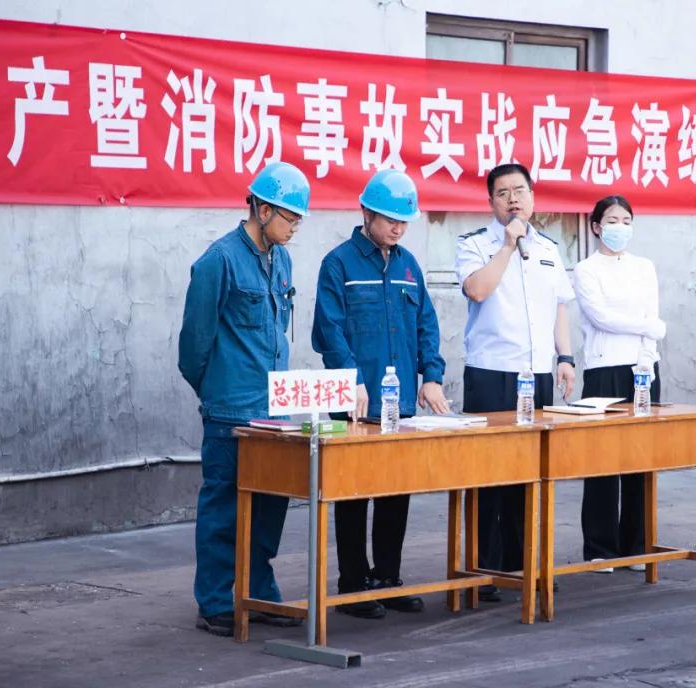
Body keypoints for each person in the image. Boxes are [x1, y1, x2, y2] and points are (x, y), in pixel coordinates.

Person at [178, 161, 309, 636]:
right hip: (230, 412)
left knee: (270, 503)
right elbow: (193, 345)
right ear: (264, 209)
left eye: (299, 220)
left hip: (274, 410)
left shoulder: (281, 261)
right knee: (223, 507)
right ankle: (215, 601)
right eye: (290, 218)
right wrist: (218, 389)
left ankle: (259, 592)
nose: (294, 228)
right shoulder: (219, 260)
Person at [312, 168, 450, 619]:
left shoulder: (409, 266)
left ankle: (387, 579)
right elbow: (329, 329)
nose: (398, 228)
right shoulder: (338, 263)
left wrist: (431, 375)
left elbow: (426, 323)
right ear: (366, 213)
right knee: (352, 494)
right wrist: (350, 377)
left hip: (400, 401)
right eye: (391, 219)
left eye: (404, 221)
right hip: (354, 403)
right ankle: (353, 584)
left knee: (395, 491)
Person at [455, 163, 576, 601]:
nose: (512, 199)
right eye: (503, 193)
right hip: (491, 372)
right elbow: (477, 290)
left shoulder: (548, 248)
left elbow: (559, 306)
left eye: (519, 191)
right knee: (489, 474)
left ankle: (525, 563)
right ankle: (485, 569)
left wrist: (565, 357)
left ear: (532, 196)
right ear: (491, 202)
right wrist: (507, 246)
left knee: (532, 472)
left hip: (536, 373)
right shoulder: (474, 244)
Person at [573, 195, 667, 573]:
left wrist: (647, 359)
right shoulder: (586, 269)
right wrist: (648, 327)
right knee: (602, 459)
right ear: (597, 227)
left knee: (640, 458)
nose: (620, 228)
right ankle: (600, 547)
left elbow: (652, 315)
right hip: (603, 369)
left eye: (626, 221)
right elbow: (602, 318)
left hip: (642, 369)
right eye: (612, 221)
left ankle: (636, 544)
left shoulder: (644, 267)